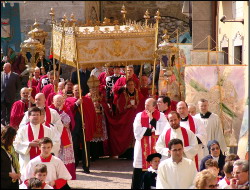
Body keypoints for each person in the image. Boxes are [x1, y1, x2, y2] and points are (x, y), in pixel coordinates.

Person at [131, 98, 168, 189]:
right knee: (139, 171)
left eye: (148, 105)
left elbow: (164, 130)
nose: (145, 107)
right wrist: (152, 130)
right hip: (141, 148)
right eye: (145, 104)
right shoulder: (139, 115)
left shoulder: (162, 116)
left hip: (156, 147)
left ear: (154, 106)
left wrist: (152, 120)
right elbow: (137, 131)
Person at [13, 107, 58, 176]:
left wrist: (43, 144)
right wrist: (29, 144)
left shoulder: (48, 130)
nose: (36, 117)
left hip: (44, 161)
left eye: (38, 115)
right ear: (29, 117)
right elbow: (16, 144)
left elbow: (56, 142)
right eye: (33, 115)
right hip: (27, 160)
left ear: (41, 116)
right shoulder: (22, 130)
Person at [65, 84, 96, 174]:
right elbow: (68, 111)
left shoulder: (87, 100)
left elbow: (91, 114)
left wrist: (88, 123)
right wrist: (76, 104)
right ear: (73, 91)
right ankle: (74, 165)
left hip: (84, 126)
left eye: (78, 90)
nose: (77, 91)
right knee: (74, 147)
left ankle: (86, 166)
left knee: (86, 147)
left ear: (81, 91)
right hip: (74, 127)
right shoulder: (68, 100)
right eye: (75, 90)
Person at [50, 94, 76, 180]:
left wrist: (62, 113)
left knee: (65, 154)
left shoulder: (66, 109)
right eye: (57, 101)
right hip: (54, 134)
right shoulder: (50, 110)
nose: (59, 102)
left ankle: (67, 173)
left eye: (61, 101)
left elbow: (69, 123)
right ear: (53, 101)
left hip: (65, 134)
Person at [176, 101, 207, 170]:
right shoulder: (173, 122)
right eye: (179, 108)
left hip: (194, 153)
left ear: (187, 109)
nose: (181, 110)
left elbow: (203, 136)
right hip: (179, 153)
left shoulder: (197, 121)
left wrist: (188, 138)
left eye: (183, 108)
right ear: (176, 110)